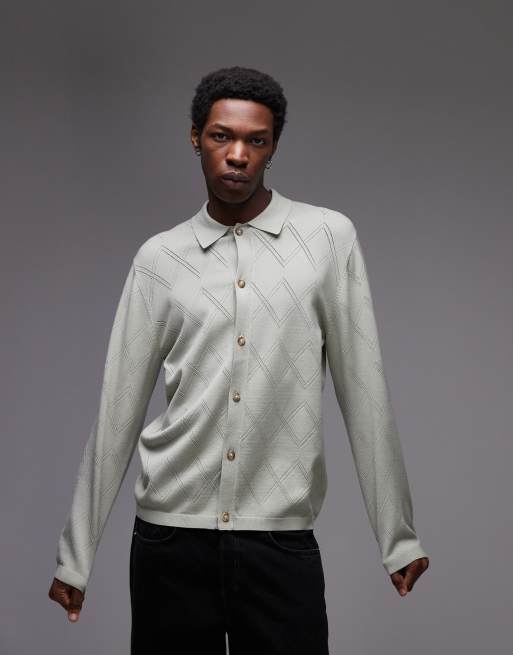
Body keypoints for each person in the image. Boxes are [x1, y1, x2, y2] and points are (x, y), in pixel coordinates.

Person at [48, 65, 429, 653]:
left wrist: (397, 537)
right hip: (169, 543)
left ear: (273, 147)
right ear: (195, 137)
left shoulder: (327, 240)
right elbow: (117, 409)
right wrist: (76, 557)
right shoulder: (160, 259)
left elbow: (365, 391)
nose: (237, 155)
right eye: (221, 136)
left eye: (256, 140)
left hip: (279, 545)